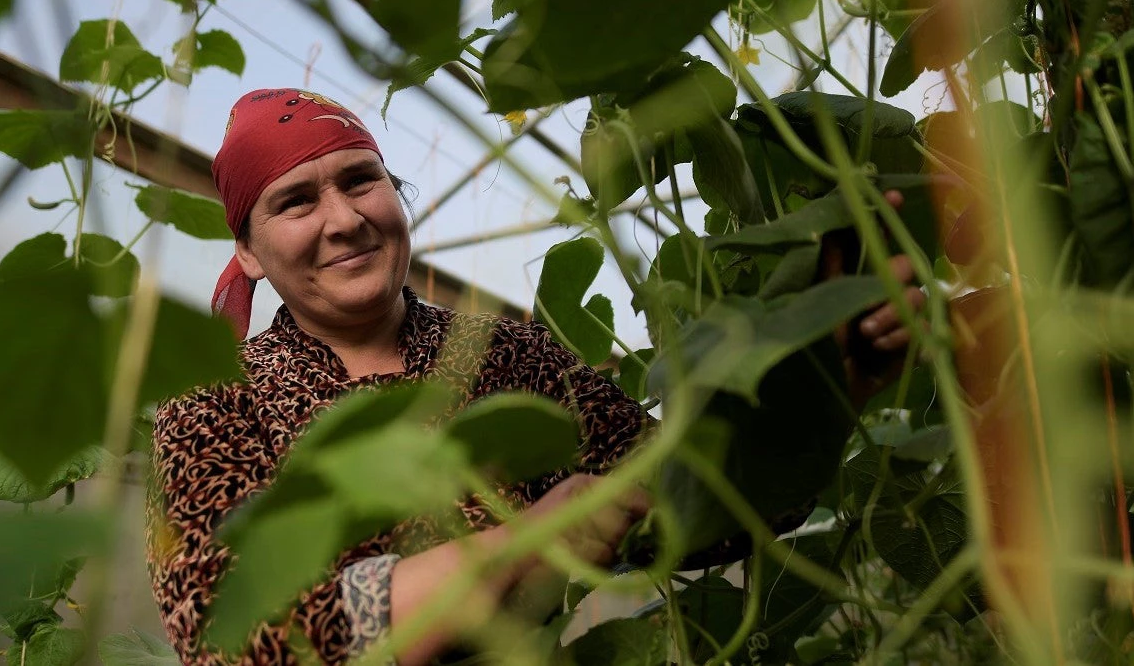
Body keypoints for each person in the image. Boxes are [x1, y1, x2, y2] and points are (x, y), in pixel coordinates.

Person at [146, 87, 926, 665]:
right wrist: (527, 541)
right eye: (295, 201)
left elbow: (685, 505)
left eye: (359, 179)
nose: (345, 218)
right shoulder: (213, 398)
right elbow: (235, 637)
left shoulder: (508, 354)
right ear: (248, 251)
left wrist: (815, 396)